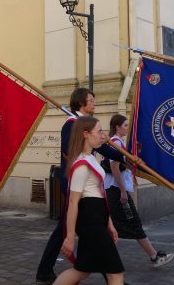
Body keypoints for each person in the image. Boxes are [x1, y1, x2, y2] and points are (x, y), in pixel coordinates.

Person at [36, 88, 128, 284]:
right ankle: (112, 276)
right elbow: (68, 152)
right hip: (79, 188)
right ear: (81, 104)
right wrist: (71, 237)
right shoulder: (72, 125)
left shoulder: (89, 132)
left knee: (83, 266)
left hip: (92, 199)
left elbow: (102, 147)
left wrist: (125, 158)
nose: (94, 103)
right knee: (69, 230)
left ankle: (45, 269)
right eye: (91, 100)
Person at [54, 116, 124, 285]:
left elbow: (99, 194)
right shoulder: (82, 164)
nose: (103, 135)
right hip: (90, 221)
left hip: (96, 217)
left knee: (82, 270)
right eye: (99, 131)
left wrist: (110, 223)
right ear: (86, 134)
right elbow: (73, 202)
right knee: (115, 272)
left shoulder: (91, 158)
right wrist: (70, 236)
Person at [104, 114, 174, 267]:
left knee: (118, 225)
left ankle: (105, 259)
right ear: (117, 127)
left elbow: (123, 166)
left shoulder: (119, 142)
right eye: (125, 125)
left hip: (115, 189)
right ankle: (154, 256)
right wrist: (122, 191)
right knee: (133, 223)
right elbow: (114, 168)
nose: (127, 128)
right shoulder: (115, 142)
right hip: (115, 190)